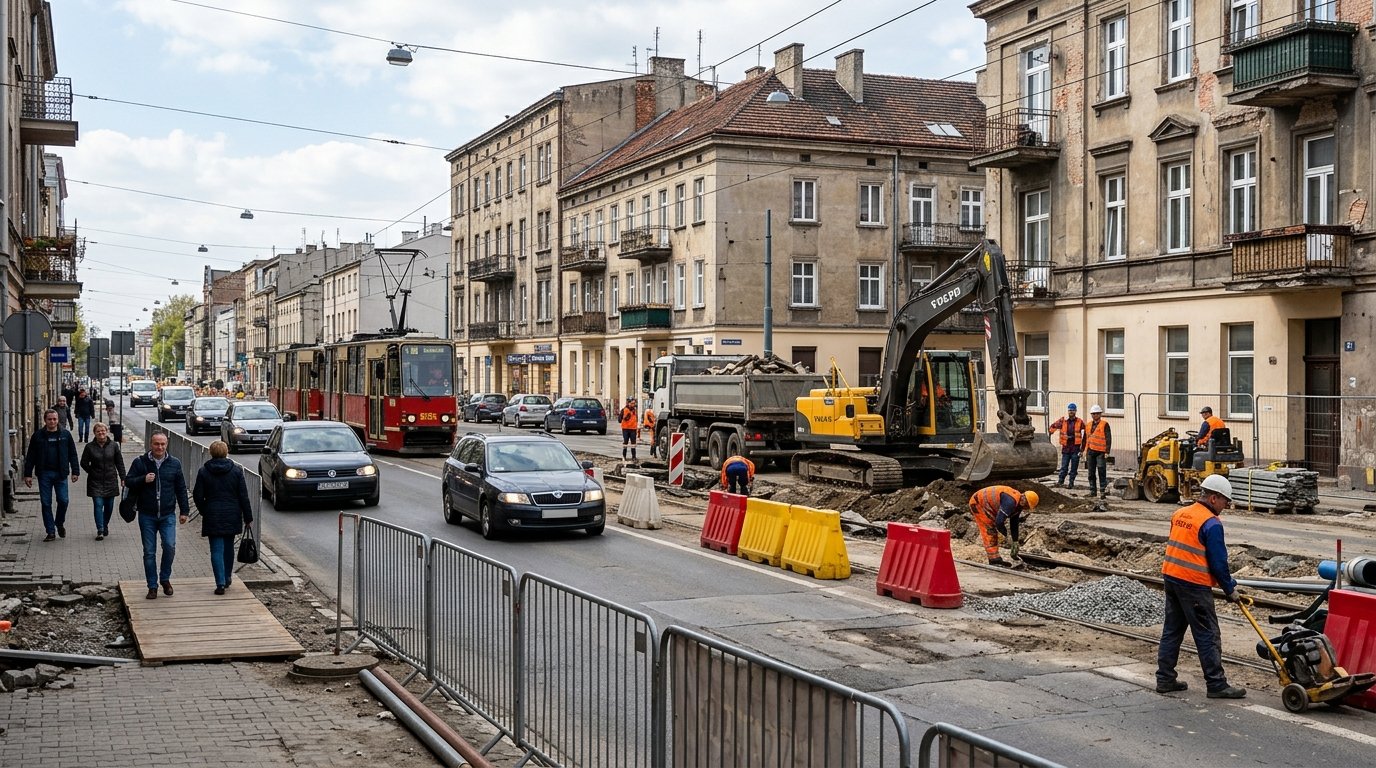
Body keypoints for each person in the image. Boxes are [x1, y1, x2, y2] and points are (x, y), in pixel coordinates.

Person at [1156, 473, 1247, 699]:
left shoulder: (1180, 514)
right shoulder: (1211, 523)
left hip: (1171, 578)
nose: (1226, 506)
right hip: (1193, 584)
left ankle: (1165, 679)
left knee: (1172, 630)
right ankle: (1216, 684)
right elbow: (1218, 563)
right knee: (1207, 634)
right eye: (1226, 501)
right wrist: (1230, 589)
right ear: (1214, 498)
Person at [125, 432, 190, 600]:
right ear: (150, 444)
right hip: (147, 514)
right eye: (156, 444)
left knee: (169, 546)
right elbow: (128, 481)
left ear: (166, 445)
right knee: (149, 552)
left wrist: (184, 511)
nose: (159, 447)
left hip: (168, 514)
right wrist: (143, 479)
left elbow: (181, 488)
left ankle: (165, 578)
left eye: (162, 444)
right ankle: (152, 586)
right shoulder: (140, 462)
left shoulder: (174, 463)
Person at [192, 440, 254, 595]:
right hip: (232, 513)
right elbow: (243, 496)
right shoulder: (236, 471)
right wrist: (248, 517)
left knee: (216, 550)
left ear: (211, 453)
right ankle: (227, 577)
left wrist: (204, 510)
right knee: (228, 548)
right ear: (226, 452)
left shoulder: (204, 471)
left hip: (212, 514)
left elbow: (197, 495)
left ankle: (219, 583)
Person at [22, 409, 80, 542]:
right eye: (50, 419)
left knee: (64, 501)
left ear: (58, 420)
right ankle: (50, 531)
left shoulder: (65, 435)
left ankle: (59, 522)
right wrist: (28, 474)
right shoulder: (38, 436)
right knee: (46, 503)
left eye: (54, 419)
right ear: (45, 420)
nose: (52, 421)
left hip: (61, 473)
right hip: (44, 474)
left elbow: (72, 453)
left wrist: (75, 471)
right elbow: (30, 456)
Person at [968, 485, 1038, 567]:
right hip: (978, 503)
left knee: (993, 529)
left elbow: (1014, 522)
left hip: (987, 504)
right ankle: (994, 559)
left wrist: (1015, 541)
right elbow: (999, 522)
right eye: (1027, 506)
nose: (1025, 509)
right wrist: (1004, 534)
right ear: (1024, 499)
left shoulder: (1018, 504)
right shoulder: (1010, 502)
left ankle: (995, 558)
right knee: (990, 530)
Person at [80, 422, 125, 540]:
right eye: (98, 431)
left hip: (111, 480)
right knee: (98, 505)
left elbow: (119, 462)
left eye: (103, 431)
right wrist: (92, 471)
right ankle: (100, 529)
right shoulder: (89, 447)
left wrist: (123, 477)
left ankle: (105, 525)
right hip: (95, 481)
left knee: (109, 506)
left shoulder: (114, 445)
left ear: (107, 432)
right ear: (94, 433)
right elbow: (83, 463)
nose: (101, 433)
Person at [1049, 403, 1086, 489]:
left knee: (1074, 467)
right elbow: (1053, 426)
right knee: (1064, 466)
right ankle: (1060, 481)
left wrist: (1082, 449)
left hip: (1075, 447)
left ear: (1075, 411)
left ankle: (1071, 483)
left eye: (1072, 410)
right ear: (1068, 411)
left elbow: (1085, 434)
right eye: (1070, 410)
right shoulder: (1063, 420)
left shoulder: (1080, 422)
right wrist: (1051, 431)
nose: (1071, 412)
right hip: (1066, 447)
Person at [1084, 404, 1112, 499]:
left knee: (1101, 470)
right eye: (1093, 414)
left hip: (1101, 452)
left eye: (1097, 413)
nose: (1095, 415)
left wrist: (1107, 451)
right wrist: (1082, 450)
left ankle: (1102, 491)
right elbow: (1085, 439)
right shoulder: (1088, 425)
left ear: (1100, 414)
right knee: (1091, 472)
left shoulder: (1104, 424)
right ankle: (1093, 491)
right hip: (1090, 451)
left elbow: (1108, 438)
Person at [619, 396, 639, 463]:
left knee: (633, 444)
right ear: (628, 403)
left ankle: (634, 457)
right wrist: (625, 417)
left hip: (633, 428)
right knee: (625, 443)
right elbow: (619, 419)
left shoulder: (634, 410)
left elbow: (635, 418)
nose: (633, 405)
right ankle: (624, 456)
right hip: (626, 429)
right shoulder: (624, 410)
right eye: (632, 403)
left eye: (634, 403)